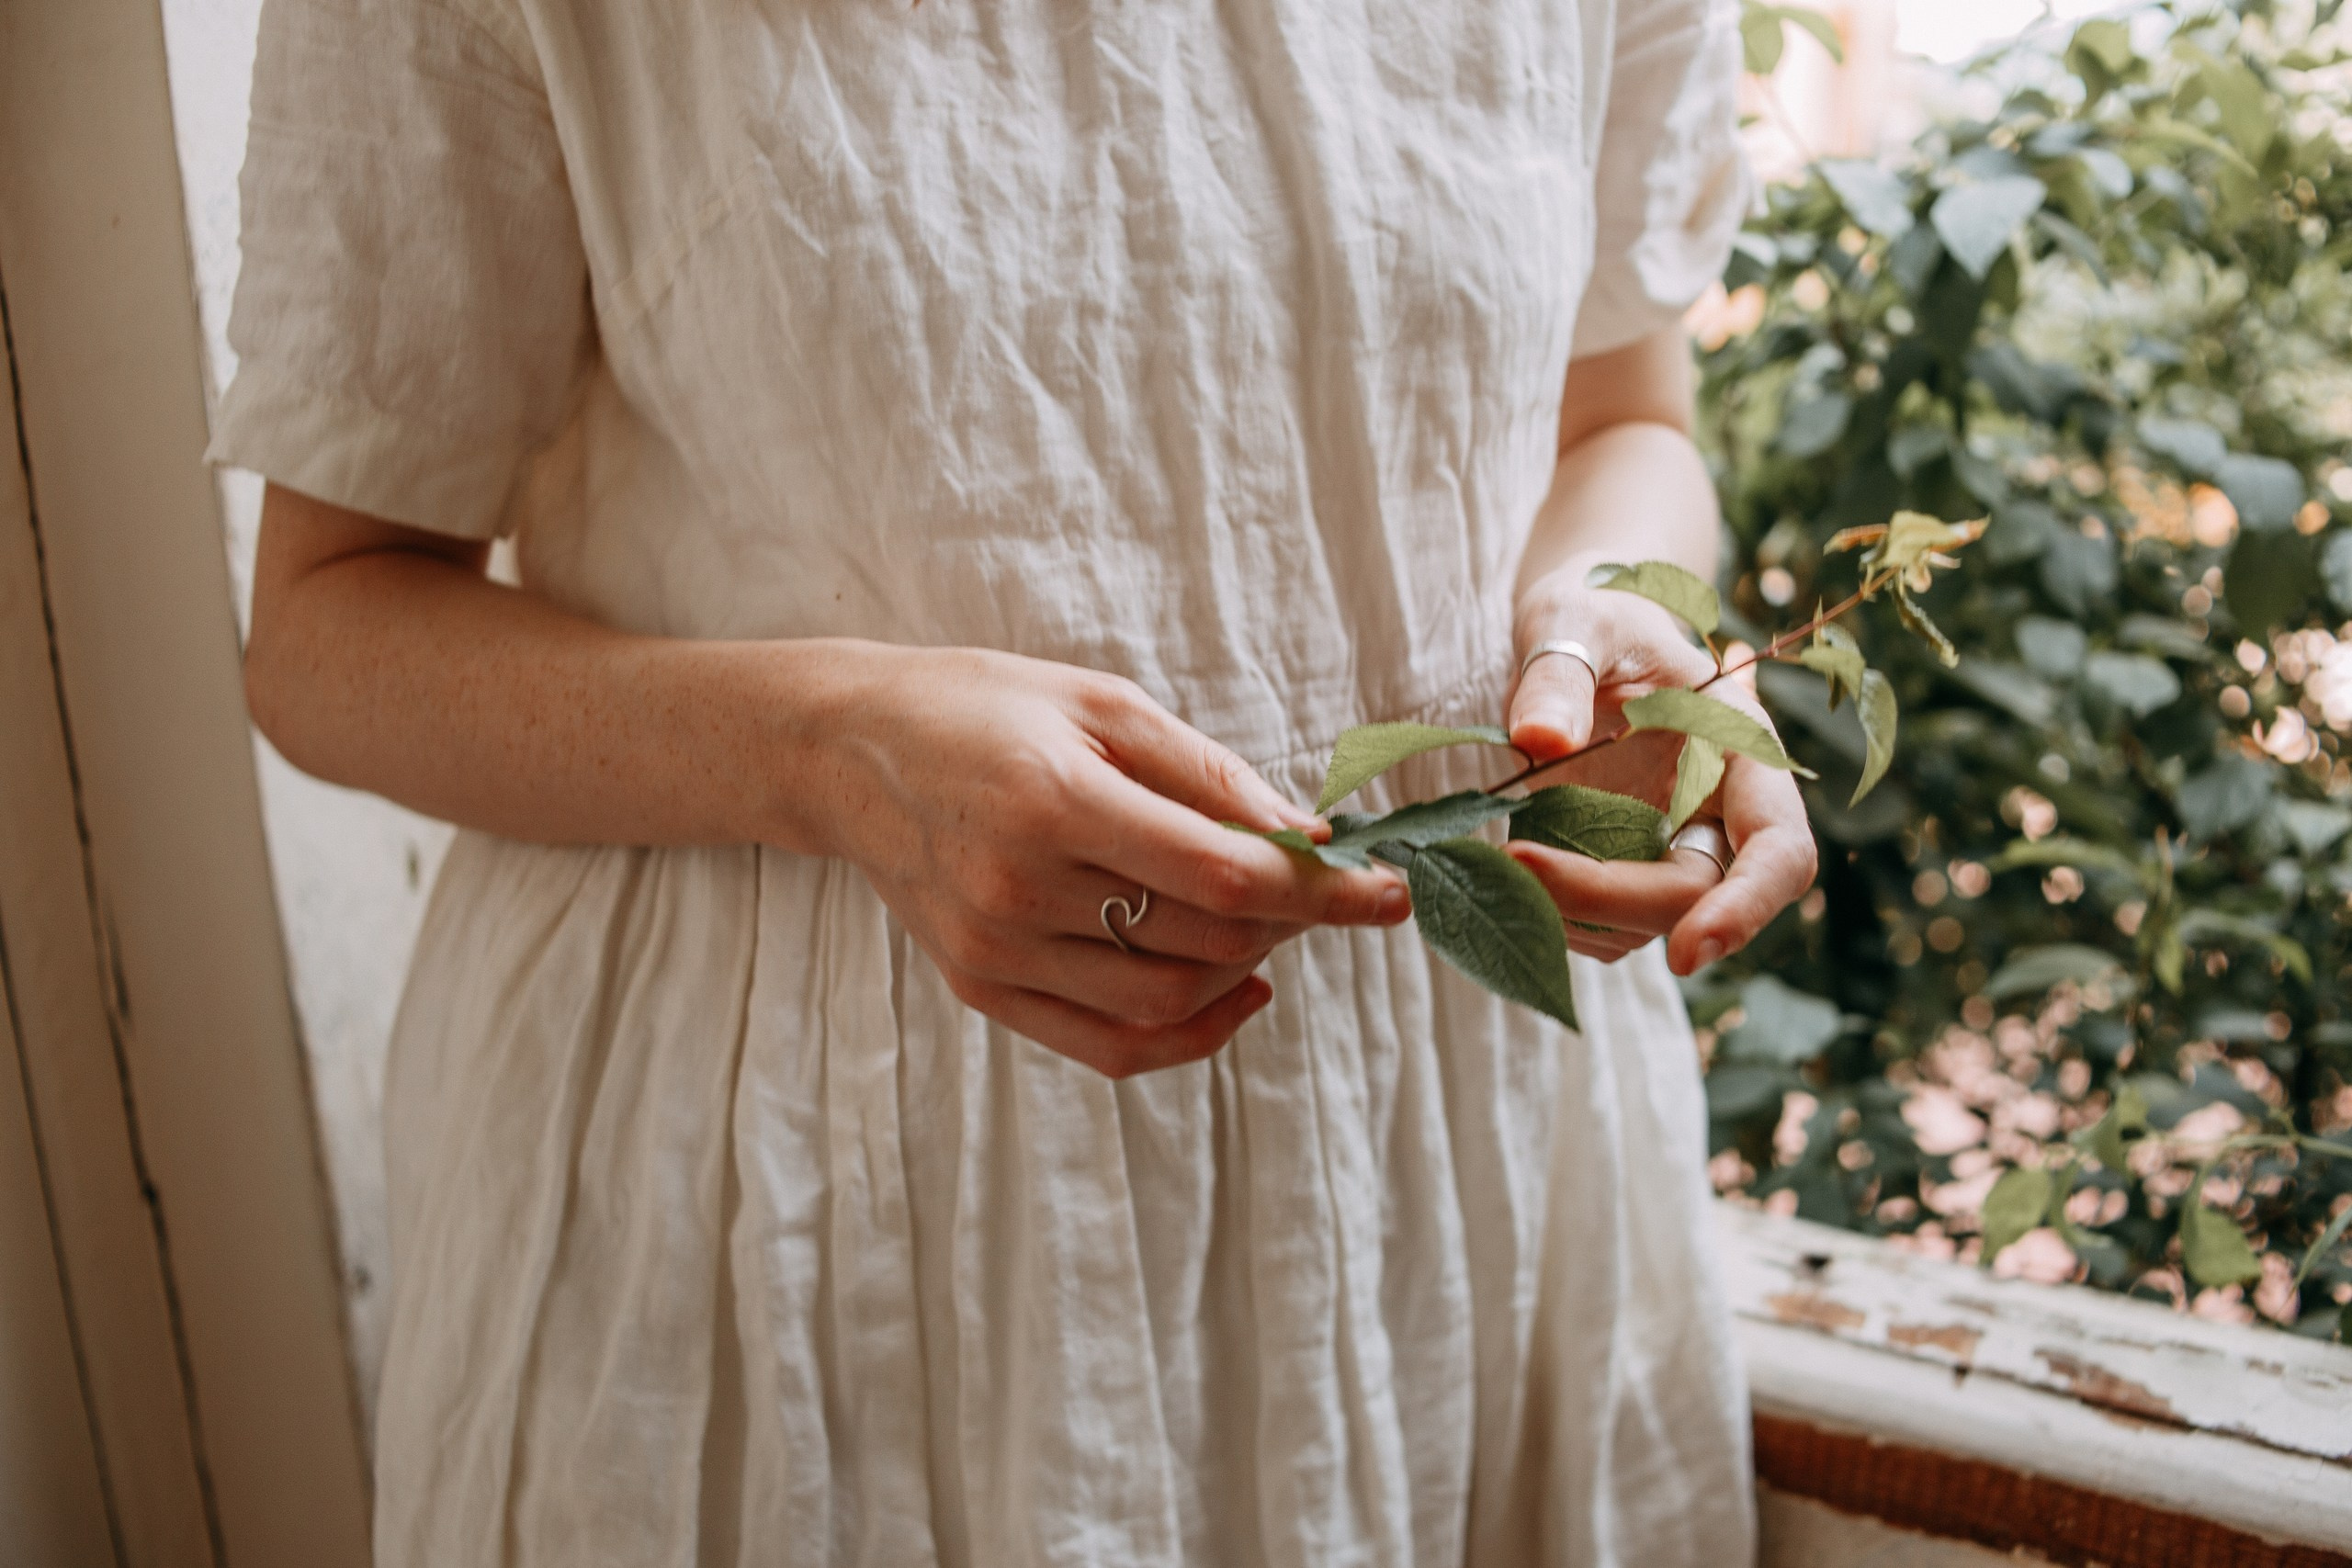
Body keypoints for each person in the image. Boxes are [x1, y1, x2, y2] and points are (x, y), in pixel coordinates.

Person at [216, 0, 1815, 1561]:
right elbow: (323, 626)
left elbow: (1627, 418)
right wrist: (833, 750)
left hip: (1469, 1151)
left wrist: (1609, 621)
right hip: (816, 1191)